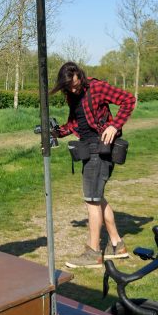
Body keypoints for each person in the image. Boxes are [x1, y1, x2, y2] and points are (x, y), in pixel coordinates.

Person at [51, 61, 136, 268]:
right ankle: (117, 245)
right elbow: (75, 123)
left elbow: (129, 100)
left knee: (91, 201)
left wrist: (115, 126)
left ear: (80, 75)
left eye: (75, 84)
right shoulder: (73, 96)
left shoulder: (97, 87)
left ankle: (93, 252)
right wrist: (56, 132)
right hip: (88, 149)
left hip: (101, 149)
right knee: (97, 198)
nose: (73, 89)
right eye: (68, 87)